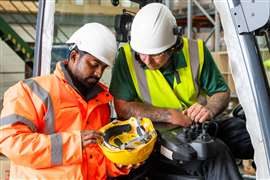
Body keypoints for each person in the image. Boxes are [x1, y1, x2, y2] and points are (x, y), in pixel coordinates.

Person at [109, 3, 243, 180]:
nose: (147, 60)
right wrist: (169, 115)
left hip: (198, 126)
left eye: (156, 54)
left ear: (174, 47)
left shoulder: (197, 51)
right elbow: (122, 107)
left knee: (250, 134)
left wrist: (208, 109)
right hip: (156, 135)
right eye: (141, 53)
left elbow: (221, 92)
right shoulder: (126, 58)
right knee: (216, 153)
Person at [0, 23, 134, 180]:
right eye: (93, 64)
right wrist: (74, 143)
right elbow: (11, 143)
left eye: (103, 68)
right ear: (74, 56)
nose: (98, 73)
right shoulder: (31, 91)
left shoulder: (101, 103)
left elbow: (95, 159)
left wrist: (120, 162)